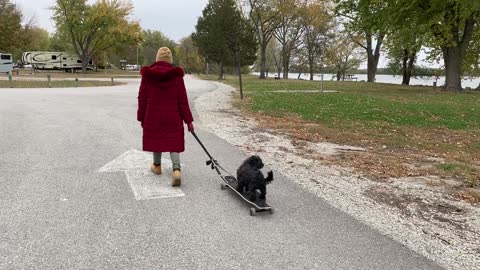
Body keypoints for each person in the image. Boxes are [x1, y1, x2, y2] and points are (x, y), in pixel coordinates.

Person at [137, 47, 194, 187]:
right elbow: (183, 101)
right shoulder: (176, 76)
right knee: (173, 140)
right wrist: (189, 121)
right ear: (170, 60)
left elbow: (142, 98)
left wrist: (141, 117)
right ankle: (176, 170)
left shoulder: (148, 76)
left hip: (153, 116)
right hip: (172, 117)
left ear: (157, 58)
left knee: (157, 138)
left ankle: (157, 166)